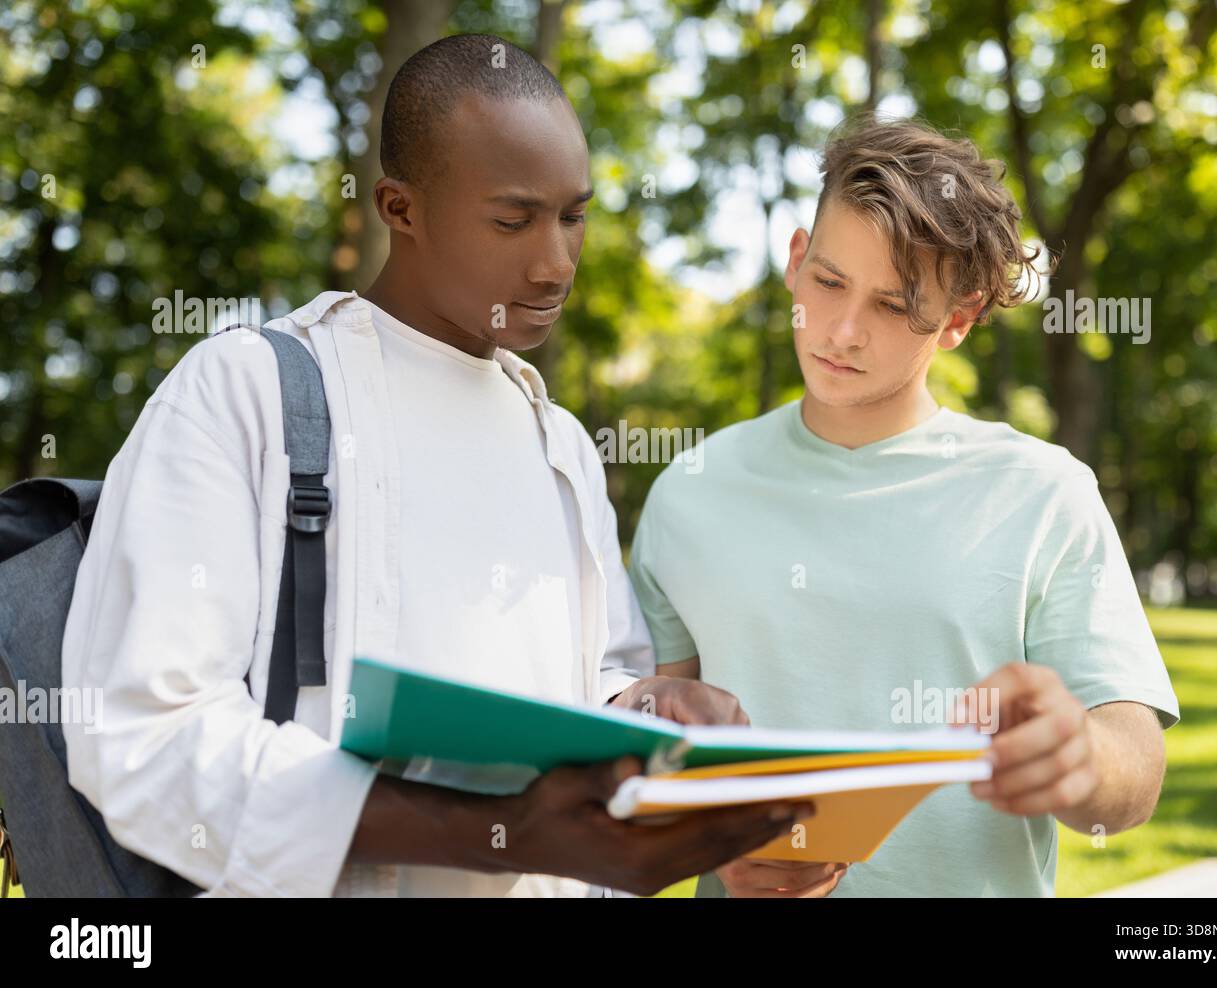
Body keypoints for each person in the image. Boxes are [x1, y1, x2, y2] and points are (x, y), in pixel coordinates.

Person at [61, 34, 806, 898]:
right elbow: (143, 735)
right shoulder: (248, 392)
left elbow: (588, 683)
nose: (555, 263)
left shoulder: (557, 441)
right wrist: (491, 835)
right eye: (513, 218)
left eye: (573, 215)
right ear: (399, 206)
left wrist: (649, 713)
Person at [628, 113, 1180, 898]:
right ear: (795, 261)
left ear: (956, 319)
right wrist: (699, 842)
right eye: (828, 282)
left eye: (893, 306)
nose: (843, 332)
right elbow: (641, 749)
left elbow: (1136, 774)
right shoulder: (689, 489)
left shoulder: (1044, 492)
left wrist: (1079, 756)